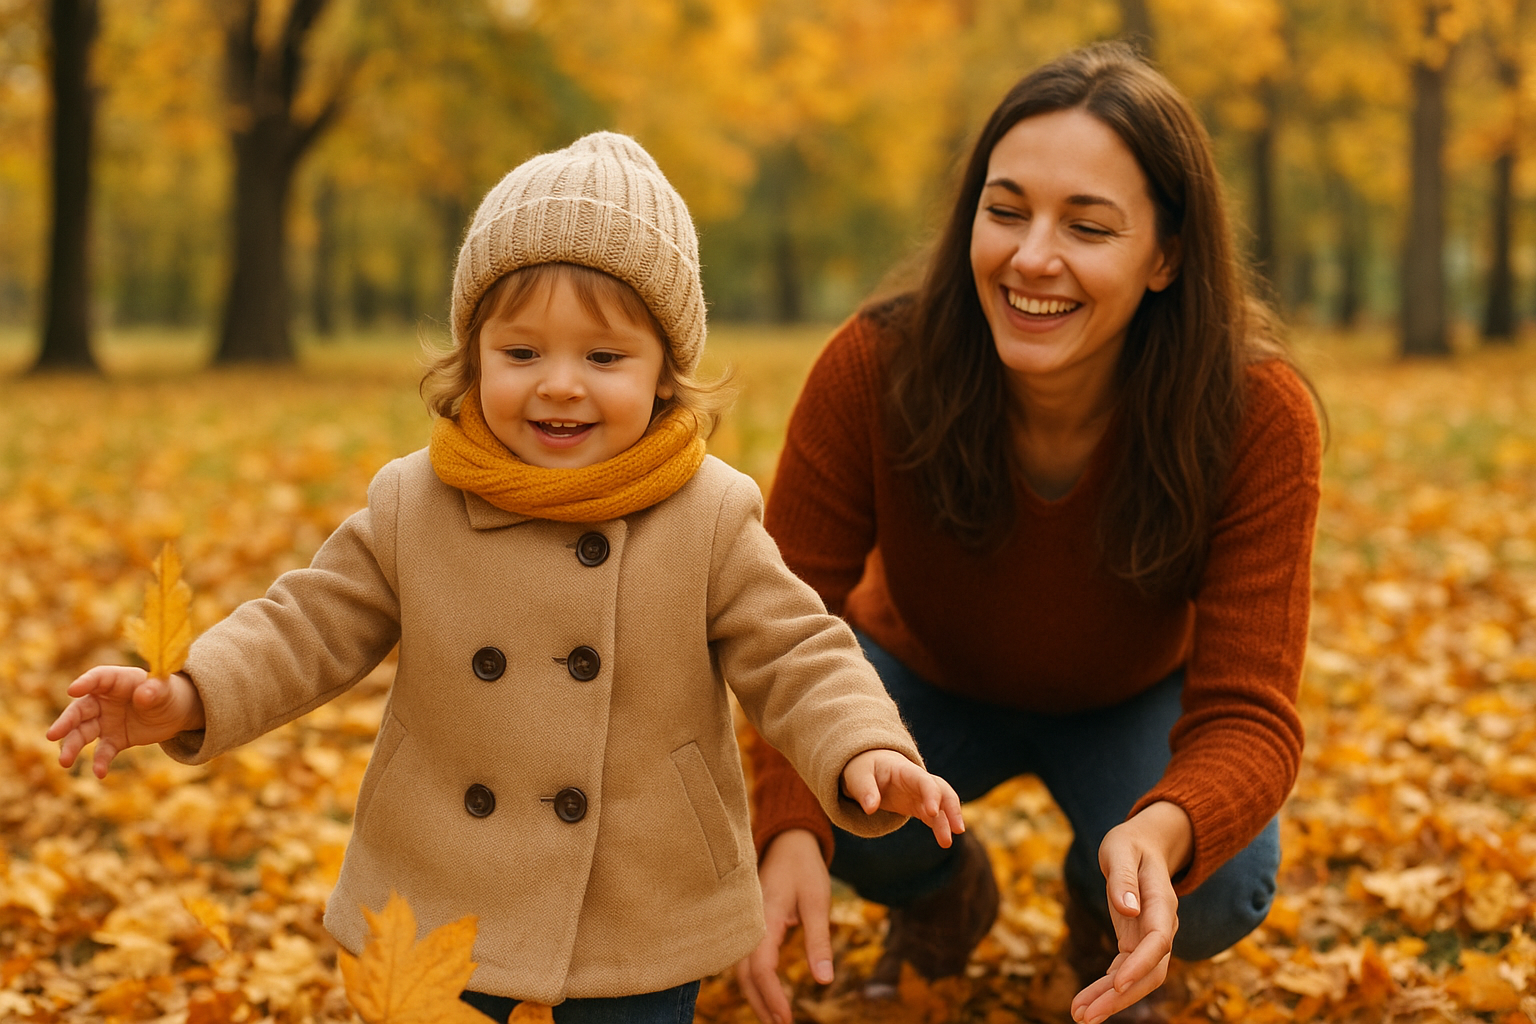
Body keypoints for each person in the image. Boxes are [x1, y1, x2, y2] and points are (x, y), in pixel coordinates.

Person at [46, 132, 965, 1024]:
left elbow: (797, 649)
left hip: (636, 883)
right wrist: (194, 693)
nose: (558, 385)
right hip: (444, 868)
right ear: (472, 355)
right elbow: (307, 623)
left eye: (604, 358)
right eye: (521, 353)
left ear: (663, 374)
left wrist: (861, 746)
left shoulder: (707, 513)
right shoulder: (419, 501)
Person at [734, 43, 1322, 1024]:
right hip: (920, 683)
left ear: (1166, 255)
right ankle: (942, 896)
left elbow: (1251, 715)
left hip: (1127, 701)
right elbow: (780, 623)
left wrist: (1162, 833)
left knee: (1219, 888)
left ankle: (1107, 907)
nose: (1031, 256)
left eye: (1088, 227)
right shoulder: (877, 366)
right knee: (846, 806)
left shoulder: (1256, 413)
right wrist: (789, 824)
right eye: (1005, 211)